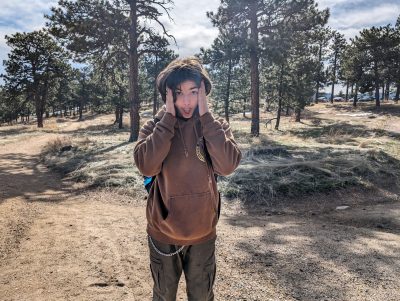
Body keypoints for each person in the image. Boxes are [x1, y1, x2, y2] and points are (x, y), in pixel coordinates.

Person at [134, 57, 241, 301]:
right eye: (178, 93)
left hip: (203, 231)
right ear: (167, 95)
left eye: (193, 92)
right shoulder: (153, 127)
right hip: (163, 233)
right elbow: (147, 166)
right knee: (163, 295)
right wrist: (167, 121)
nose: (186, 101)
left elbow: (227, 166)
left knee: (202, 296)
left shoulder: (216, 127)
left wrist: (206, 118)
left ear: (204, 93)